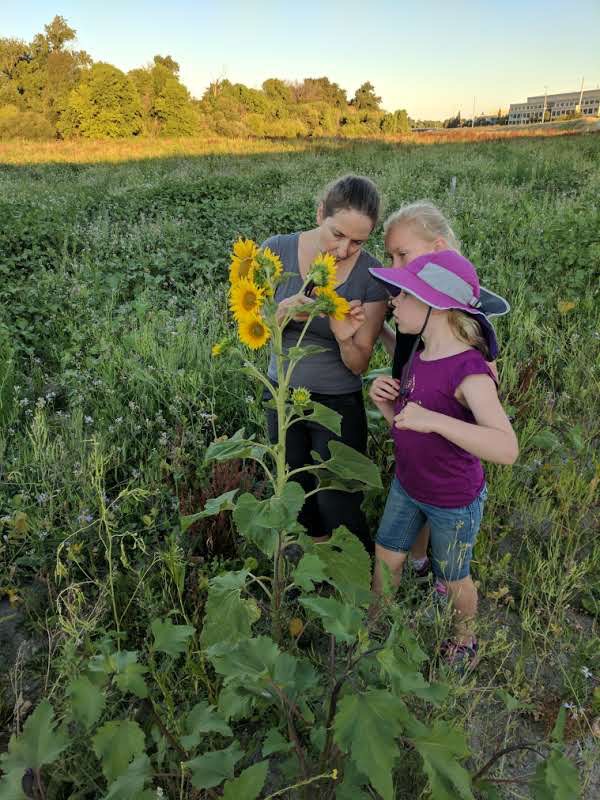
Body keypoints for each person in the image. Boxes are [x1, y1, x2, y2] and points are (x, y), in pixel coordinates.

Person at [368, 249, 518, 667]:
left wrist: (434, 420)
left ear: (436, 305)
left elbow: (506, 448)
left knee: (453, 578)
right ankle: (375, 629)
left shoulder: (469, 371)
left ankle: (464, 639)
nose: (394, 301)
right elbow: (408, 425)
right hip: (408, 483)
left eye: (405, 295)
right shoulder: (420, 353)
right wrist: (386, 404)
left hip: (452, 499)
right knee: (387, 555)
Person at [374, 201, 507, 585]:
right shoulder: (422, 333)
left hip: (451, 482)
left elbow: (488, 415)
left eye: (403, 255)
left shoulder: (465, 351)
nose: (397, 269)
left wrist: (435, 415)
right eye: (391, 256)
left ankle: (449, 599)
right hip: (413, 469)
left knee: (452, 572)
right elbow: (405, 361)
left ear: (437, 250)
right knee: (405, 525)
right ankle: (416, 564)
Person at [262, 175, 388, 553]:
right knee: (294, 495)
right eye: (337, 234)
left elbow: (358, 365)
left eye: (358, 241)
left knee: (337, 500)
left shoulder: (370, 276)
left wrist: (341, 333)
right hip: (282, 400)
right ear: (320, 213)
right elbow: (251, 329)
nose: (345, 249)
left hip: (337, 404)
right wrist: (280, 315)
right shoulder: (275, 252)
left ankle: (355, 587)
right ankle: (308, 577)